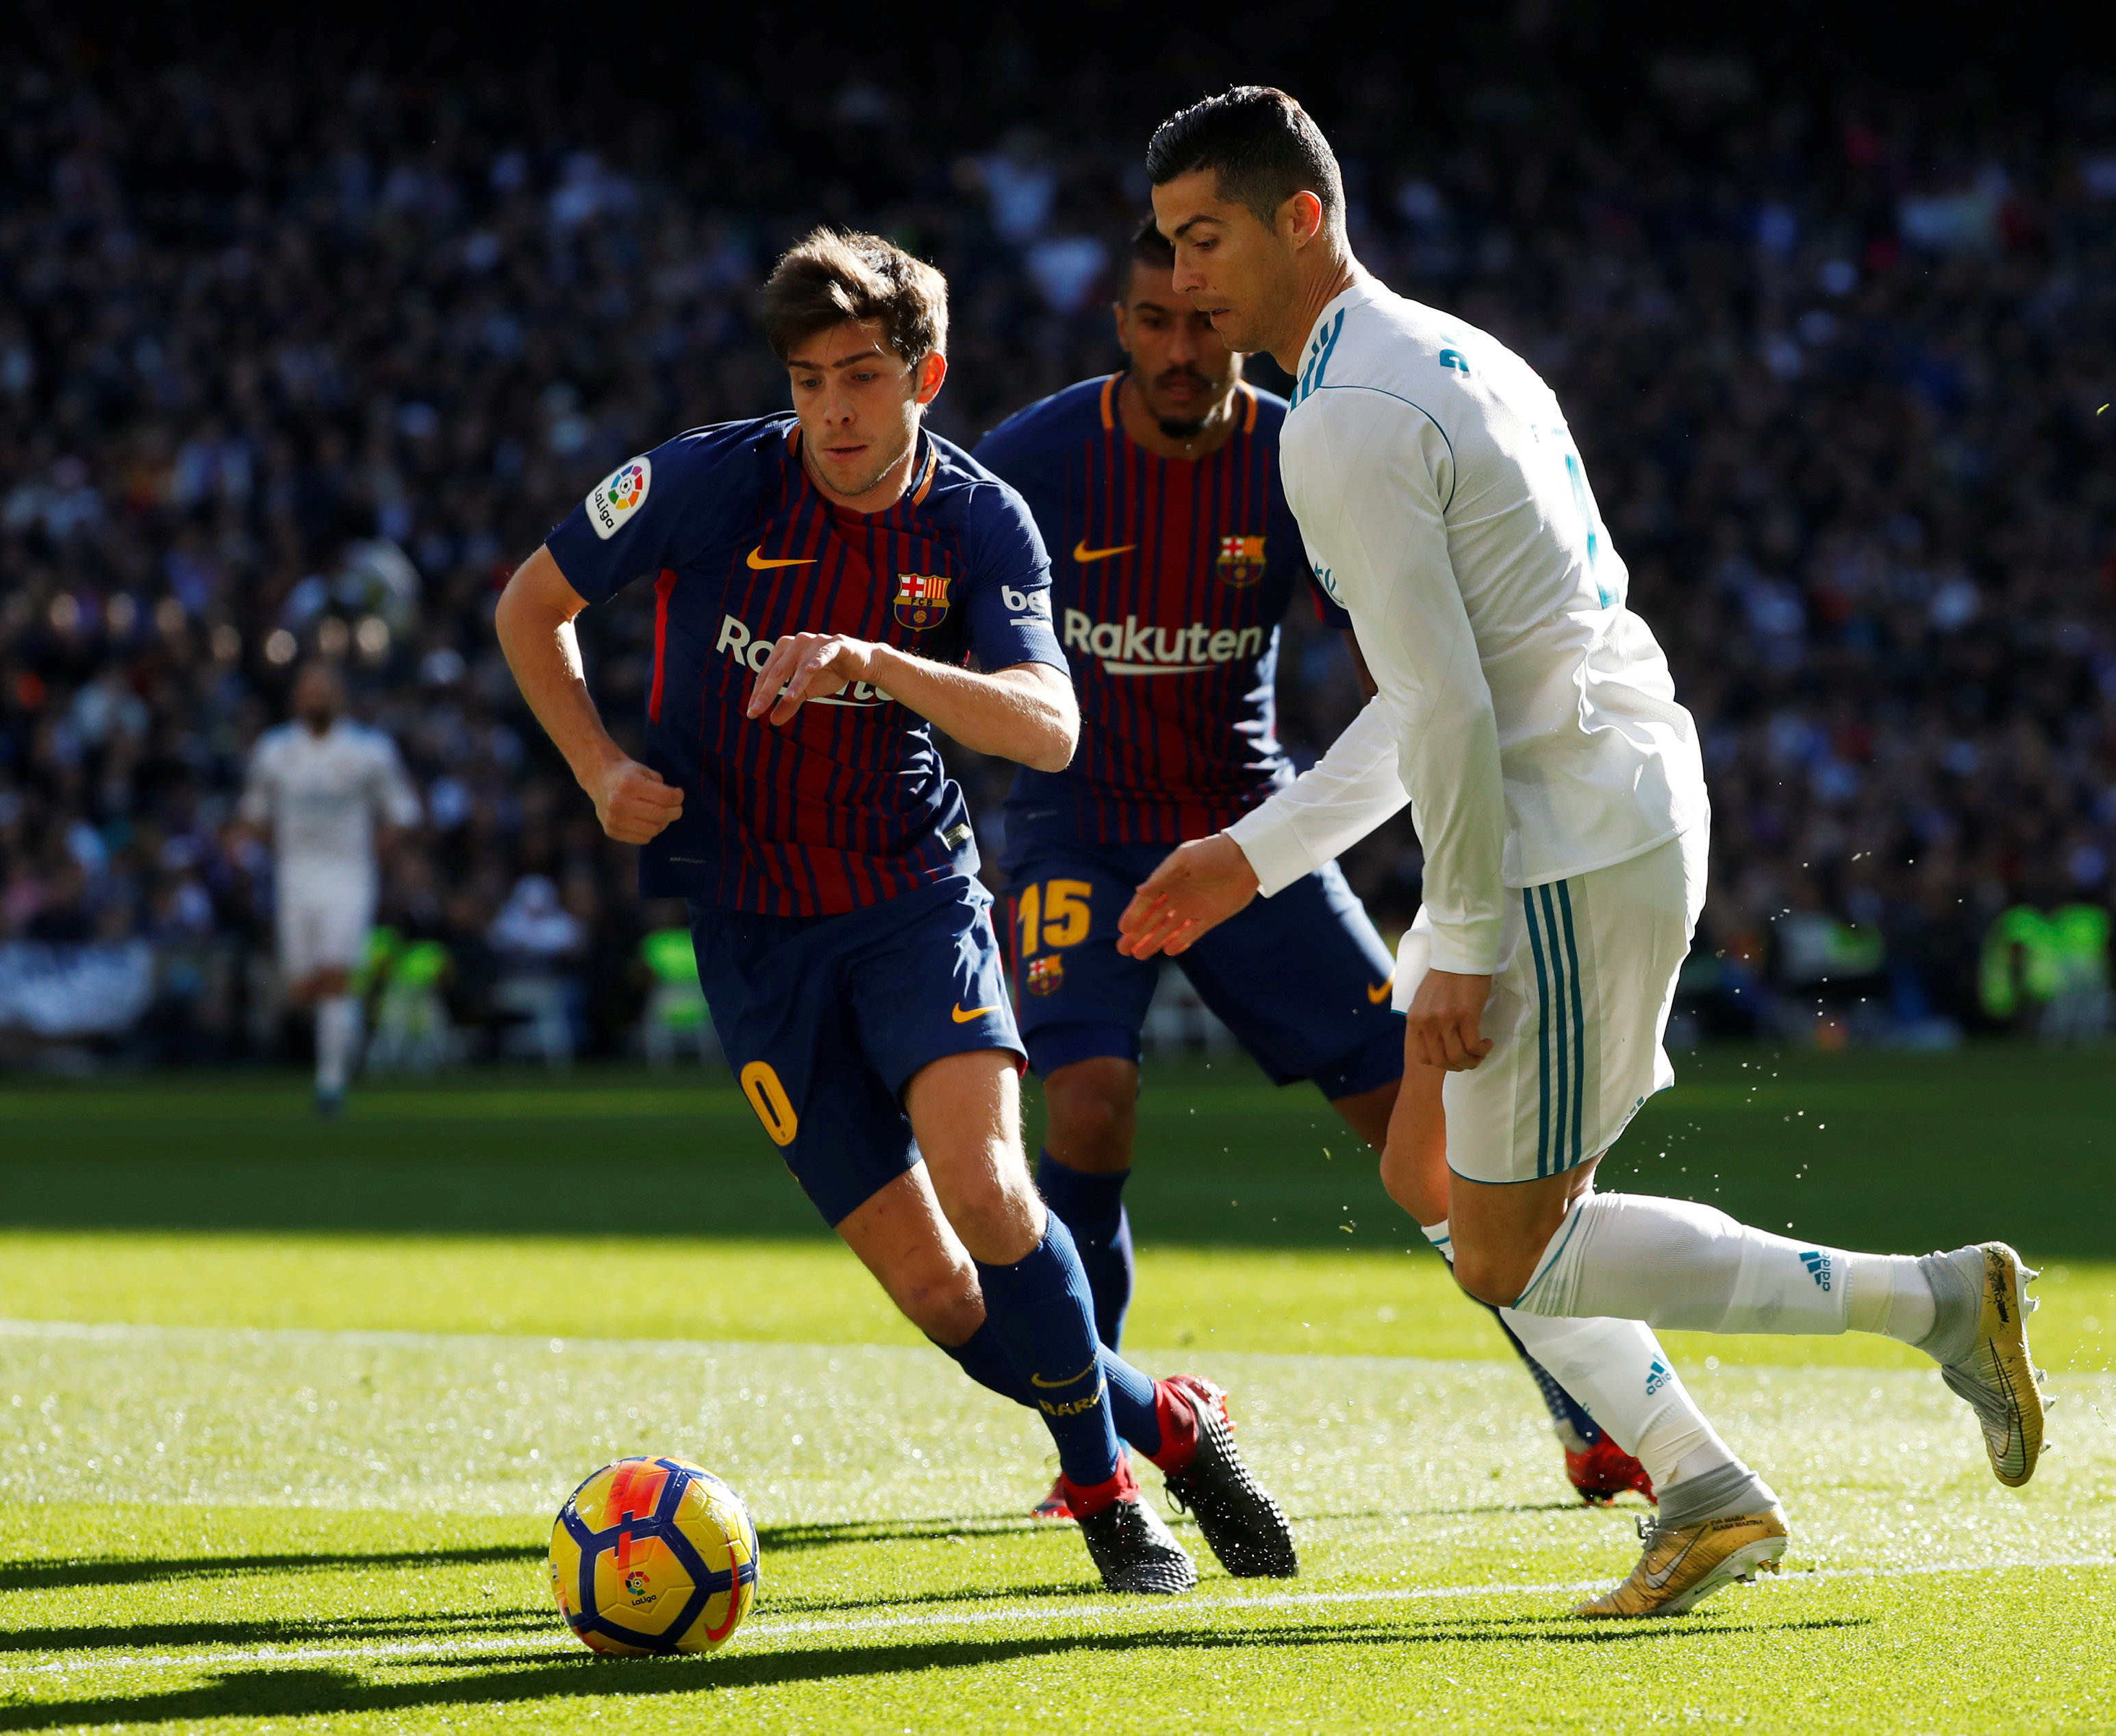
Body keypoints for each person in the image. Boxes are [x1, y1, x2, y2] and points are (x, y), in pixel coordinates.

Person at [1120, 88, 2050, 1618]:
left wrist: (1466, 940)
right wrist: (1254, 854)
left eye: (1208, 236)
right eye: (1164, 245)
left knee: (1503, 1253)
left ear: (1304, 217)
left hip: (1557, 843)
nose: (1184, 277)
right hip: (1580, 799)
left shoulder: (1346, 422)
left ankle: (1930, 1306)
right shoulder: (1443, 351)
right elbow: (1451, 689)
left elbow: (1444, 702)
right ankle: (1707, 1485)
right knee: (1426, 1171)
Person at [493, 226, 1294, 1596]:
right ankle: (1167, 1417)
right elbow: (533, 603)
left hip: (911, 901)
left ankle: (1105, 1496)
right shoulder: (704, 479)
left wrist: (880, 661)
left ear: (925, 373)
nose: (832, 411)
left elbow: (1048, 727)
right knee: (939, 1295)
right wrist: (598, 764)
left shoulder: (979, 520)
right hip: (745, 929)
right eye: (808, 380)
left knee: (990, 1187)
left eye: (860, 376)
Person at [975, 216, 1653, 1518]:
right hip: (1076, 830)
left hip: (1249, 825)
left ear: (1231, 318)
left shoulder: (1306, 448)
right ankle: (1100, 1447)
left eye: (1201, 321)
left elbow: (1405, 665)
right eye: (1154, 324)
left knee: (1424, 1119)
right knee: (1088, 1106)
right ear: (1121, 325)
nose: (1182, 350)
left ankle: (1590, 1410)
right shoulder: (1033, 462)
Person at [238, 660, 421, 1116]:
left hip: (348, 874)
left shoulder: (368, 750)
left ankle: (331, 1083)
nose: (316, 697)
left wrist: (384, 850)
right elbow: (254, 813)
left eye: (325, 689)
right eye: (309, 689)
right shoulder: (275, 750)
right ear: (297, 697)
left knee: (337, 977)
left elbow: (401, 809)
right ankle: (338, 1040)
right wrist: (253, 844)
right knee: (302, 987)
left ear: (341, 697)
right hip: (294, 878)